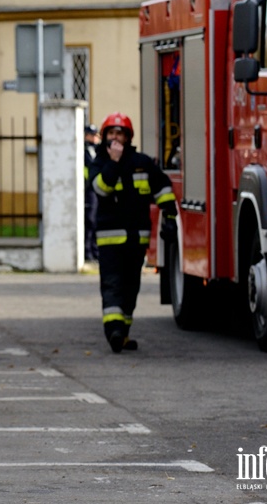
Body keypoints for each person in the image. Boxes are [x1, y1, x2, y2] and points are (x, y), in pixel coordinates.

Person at [87, 111, 178, 353]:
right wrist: (113, 162)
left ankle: (123, 333)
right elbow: (102, 189)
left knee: (131, 287)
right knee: (112, 285)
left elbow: (162, 188)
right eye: (111, 133)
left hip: (137, 239)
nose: (116, 137)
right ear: (104, 136)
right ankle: (113, 331)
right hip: (110, 240)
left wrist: (170, 217)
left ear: (128, 137)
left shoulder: (142, 162)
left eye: (120, 133)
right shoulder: (97, 163)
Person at [82, 124, 101, 262]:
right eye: (92, 135)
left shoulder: (98, 151)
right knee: (89, 221)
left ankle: (94, 249)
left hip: (97, 190)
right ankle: (87, 250)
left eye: (96, 135)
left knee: (95, 222)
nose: (95, 138)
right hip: (89, 190)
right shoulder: (83, 151)